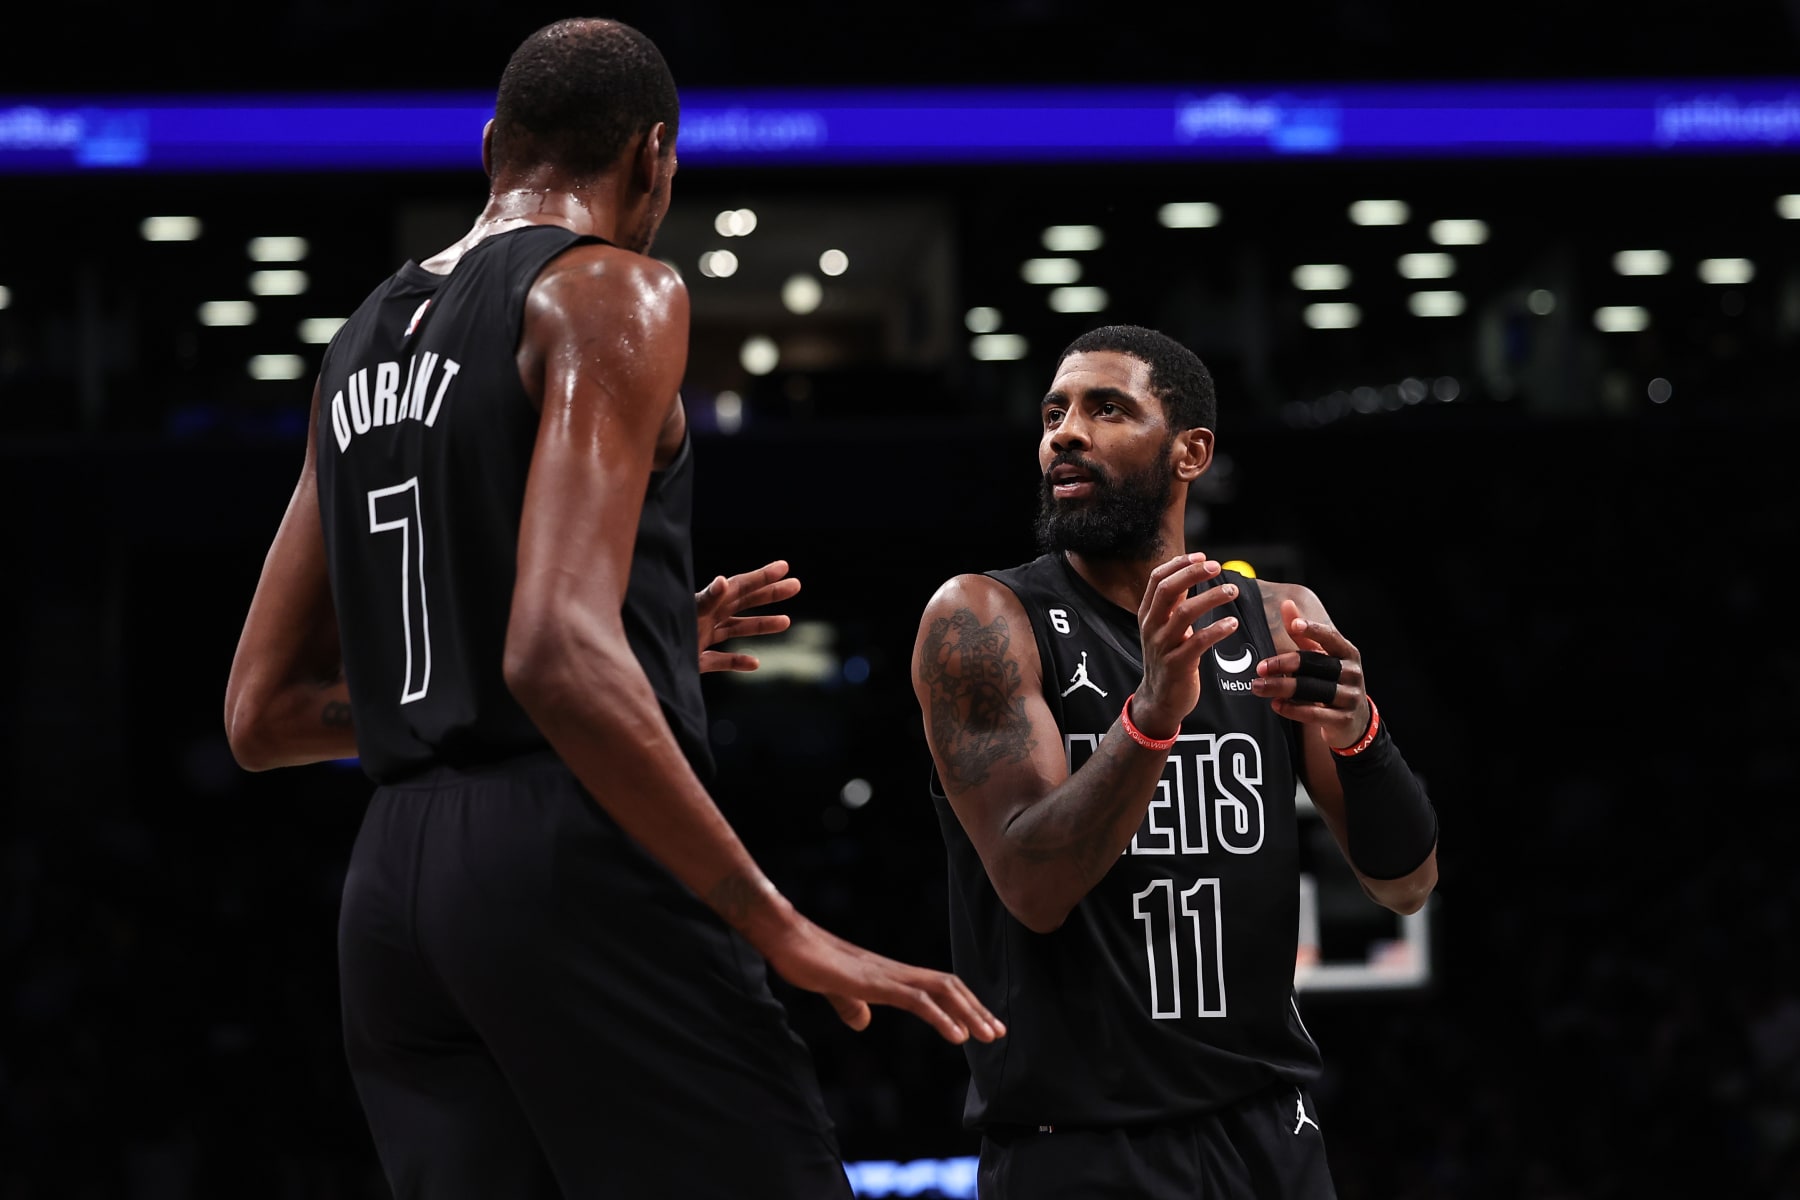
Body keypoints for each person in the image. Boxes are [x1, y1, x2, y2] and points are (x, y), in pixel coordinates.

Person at [223, 17, 1001, 1198]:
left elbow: (262, 714)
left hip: (392, 895)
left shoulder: (358, 344)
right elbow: (552, 653)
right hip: (570, 859)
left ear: (491, 145)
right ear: (655, 160)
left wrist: (633, 646)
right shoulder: (608, 293)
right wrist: (776, 921)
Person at [909, 324, 1438, 1199]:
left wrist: (1362, 734)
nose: (1064, 433)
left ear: (1191, 451)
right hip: (1082, 1145)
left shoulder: (1278, 615)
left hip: (1269, 1129)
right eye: (1054, 413)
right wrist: (1153, 715)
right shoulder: (983, 618)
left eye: (1106, 409)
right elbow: (1034, 890)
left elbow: (1407, 883)